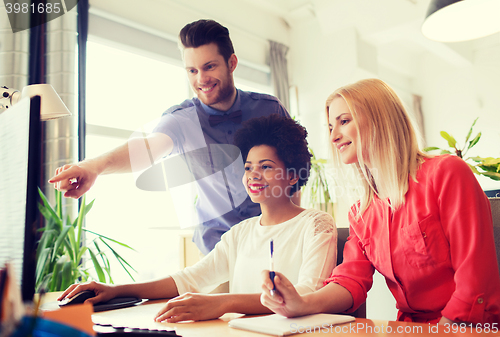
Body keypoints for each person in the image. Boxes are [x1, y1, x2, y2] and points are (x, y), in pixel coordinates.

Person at [260, 78, 500, 324]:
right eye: (331, 127)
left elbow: (475, 282)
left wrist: (441, 330)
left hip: (467, 327)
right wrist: (301, 304)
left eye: (344, 121)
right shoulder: (361, 212)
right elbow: (350, 280)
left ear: (379, 119)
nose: (334, 137)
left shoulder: (447, 173)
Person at [57, 114, 337, 322]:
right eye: (248, 167)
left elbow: (305, 295)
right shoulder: (240, 233)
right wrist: (116, 290)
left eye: (266, 167)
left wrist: (222, 303)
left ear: (291, 175)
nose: (252, 175)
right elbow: (190, 279)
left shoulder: (316, 224)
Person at [48, 19, 294, 255]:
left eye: (209, 66)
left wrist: (292, 224)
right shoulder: (181, 119)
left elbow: (294, 170)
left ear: (231, 62)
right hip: (218, 250)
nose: (201, 79)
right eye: (192, 70)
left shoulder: (269, 109)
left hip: (274, 239)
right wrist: (93, 167)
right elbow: (145, 149)